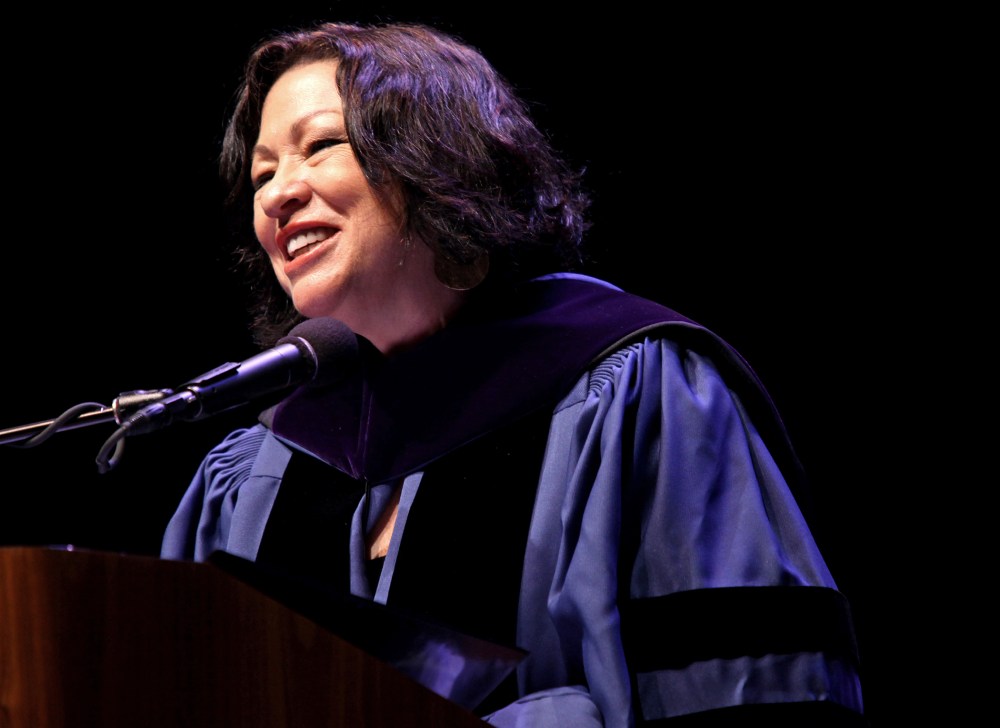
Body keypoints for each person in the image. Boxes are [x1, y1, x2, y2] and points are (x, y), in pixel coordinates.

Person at [159, 19, 866, 726]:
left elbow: (753, 688)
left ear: (435, 160)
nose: (277, 194)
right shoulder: (261, 465)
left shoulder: (632, 389)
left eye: (320, 146)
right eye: (262, 174)